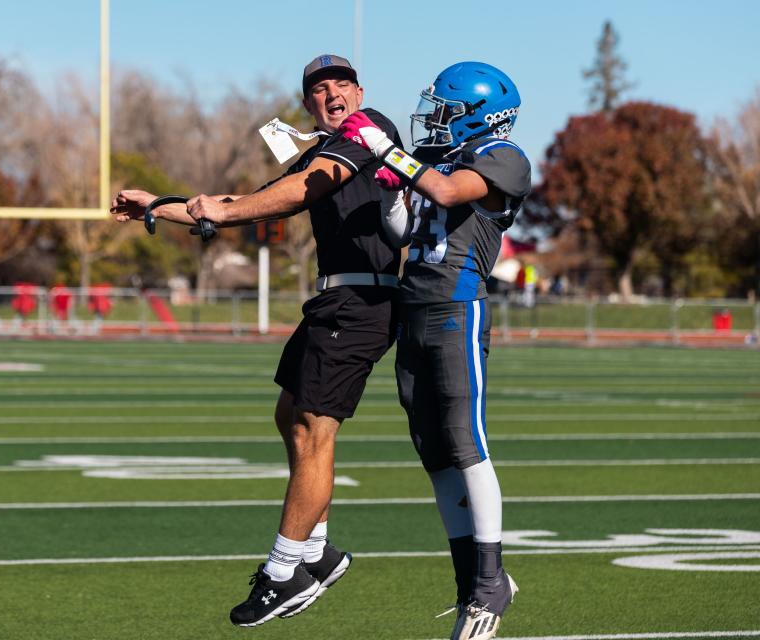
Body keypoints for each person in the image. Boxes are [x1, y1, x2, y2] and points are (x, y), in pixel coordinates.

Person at [110, 54, 406, 627]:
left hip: (364, 301)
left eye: (341, 84)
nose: (333, 94)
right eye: (319, 89)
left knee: (314, 432)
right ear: (307, 104)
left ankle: (281, 573)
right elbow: (241, 205)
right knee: (289, 414)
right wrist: (157, 205)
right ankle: (318, 553)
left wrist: (227, 210)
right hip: (333, 300)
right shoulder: (318, 153)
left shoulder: (372, 131)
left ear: (360, 92)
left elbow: (293, 193)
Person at [338, 61, 532, 640]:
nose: (435, 121)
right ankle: (467, 585)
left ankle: (492, 581)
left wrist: (383, 148)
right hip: (414, 309)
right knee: (437, 456)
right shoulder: (440, 162)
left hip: (457, 311)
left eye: (444, 110)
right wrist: (396, 197)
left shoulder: (504, 156)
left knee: (466, 445)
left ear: (476, 112)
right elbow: (409, 233)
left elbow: (449, 191)